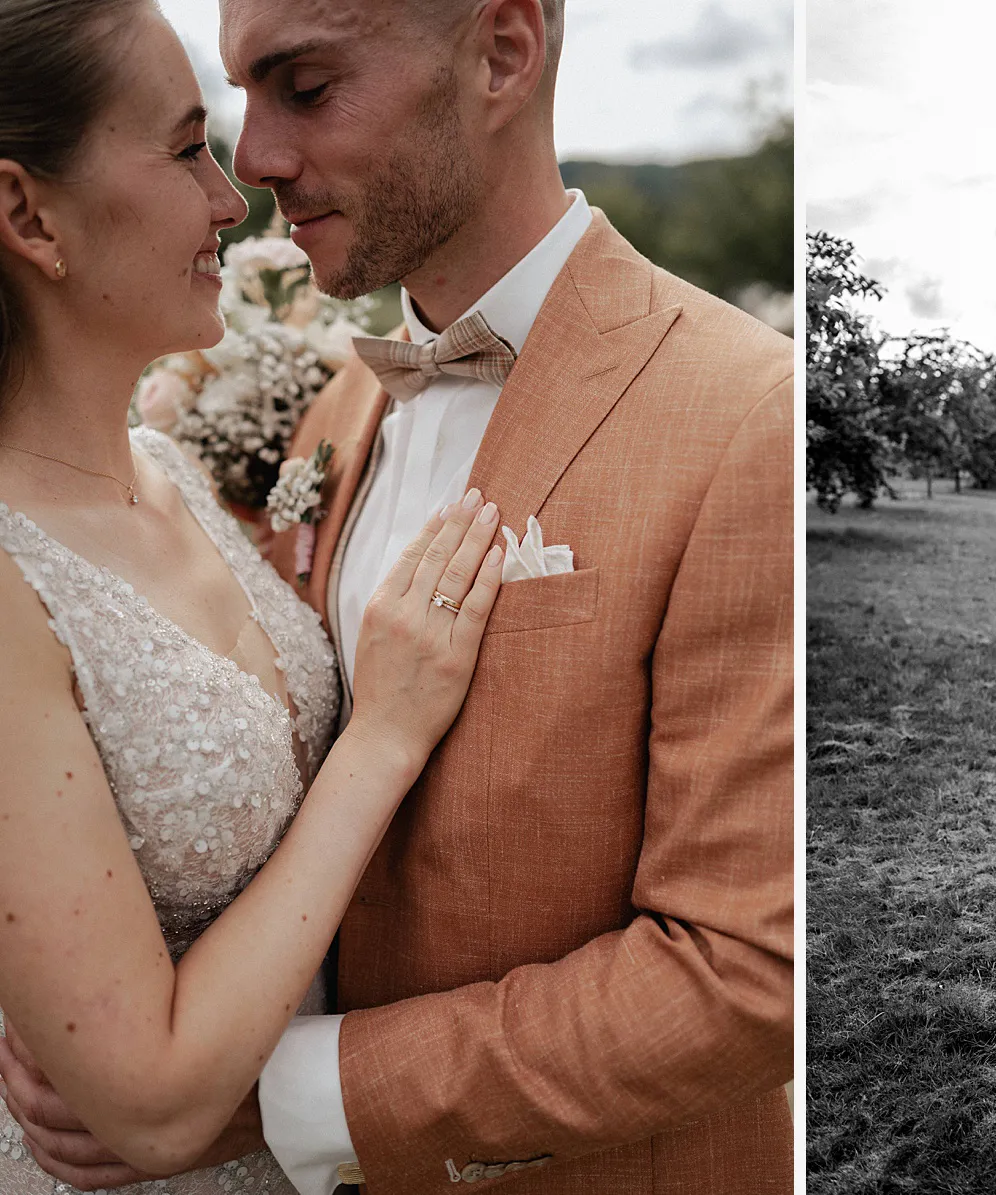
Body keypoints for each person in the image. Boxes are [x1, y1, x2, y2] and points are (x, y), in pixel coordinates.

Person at [5, 0, 795, 1192]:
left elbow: (750, 970)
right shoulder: (336, 413)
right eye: (227, 108)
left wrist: (285, 1096)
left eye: (306, 89)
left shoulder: (746, 417)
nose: (253, 162)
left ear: (503, 52)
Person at [0, 2, 505, 1193]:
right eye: (186, 150)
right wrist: (382, 732)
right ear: (27, 213)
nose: (235, 200)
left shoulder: (169, 473)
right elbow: (158, 1107)